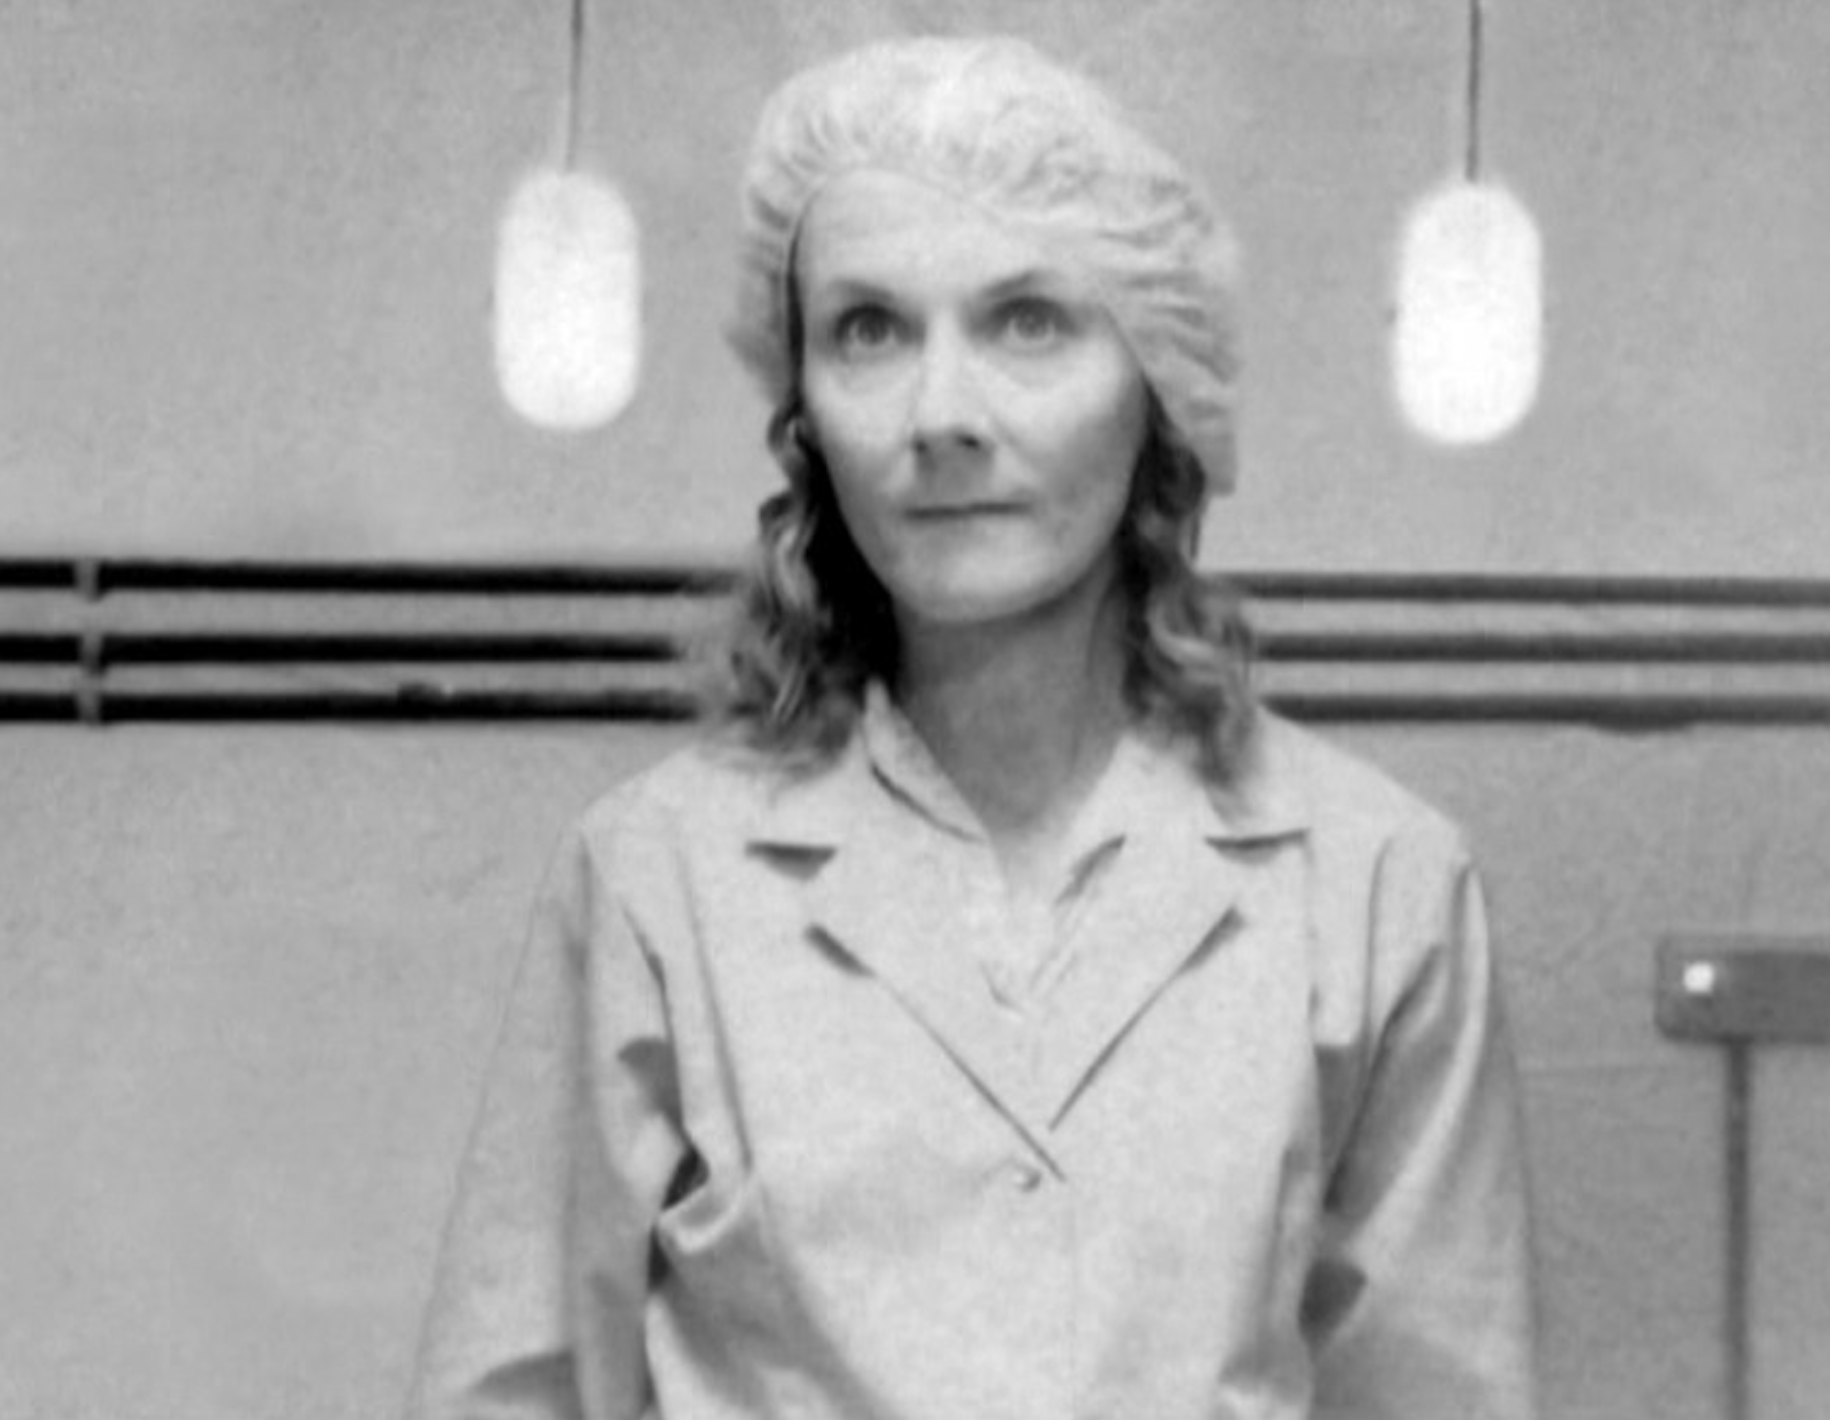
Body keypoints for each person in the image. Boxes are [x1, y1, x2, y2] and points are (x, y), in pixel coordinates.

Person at [407, 34, 1538, 1420]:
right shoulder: (660, 876)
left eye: (1028, 322)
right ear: (805, 413)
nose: (940, 415)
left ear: (1158, 389)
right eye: (869, 330)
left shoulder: (1373, 887)